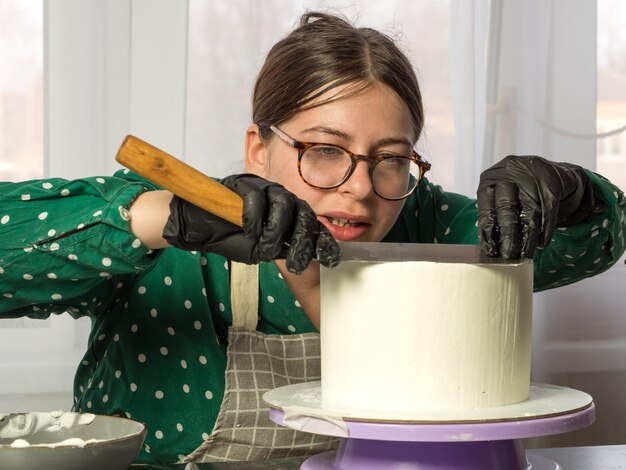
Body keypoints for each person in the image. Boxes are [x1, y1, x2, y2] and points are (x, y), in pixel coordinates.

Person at [0, 11, 624, 465]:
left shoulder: (428, 225)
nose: (358, 187)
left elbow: (583, 244)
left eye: (389, 158)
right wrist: (149, 219)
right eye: (325, 151)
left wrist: (573, 194)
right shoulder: (170, 232)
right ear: (259, 149)